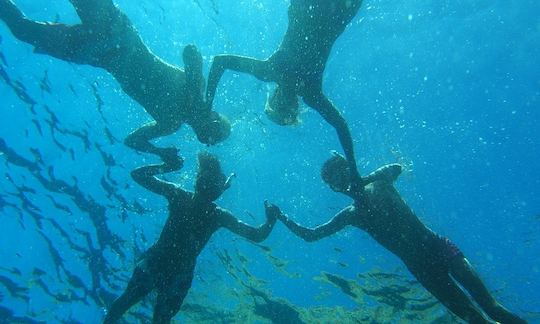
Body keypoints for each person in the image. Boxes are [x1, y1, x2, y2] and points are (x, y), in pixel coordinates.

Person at [272, 153, 527, 324]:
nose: (341, 180)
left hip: (437, 246)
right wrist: (281, 217)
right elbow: (311, 235)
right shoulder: (351, 215)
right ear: (333, 187)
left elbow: (397, 167)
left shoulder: (380, 183)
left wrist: (366, 179)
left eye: (342, 172)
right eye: (334, 179)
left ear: (351, 169)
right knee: (475, 319)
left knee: (493, 308)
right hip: (421, 268)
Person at [0, 0, 230, 166]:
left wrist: (160, 153)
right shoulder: (196, 88)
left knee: (22, 30)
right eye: (216, 134)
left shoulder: (170, 124)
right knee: (23, 29)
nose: (210, 141)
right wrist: (196, 87)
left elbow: (132, 141)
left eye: (213, 140)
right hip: (119, 34)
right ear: (214, 116)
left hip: (95, 54)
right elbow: (190, 50)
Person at [205, 0, 364, 191]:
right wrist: (353, 170)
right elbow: (341, 126)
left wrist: (206, 108)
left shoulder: (269, 70)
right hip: (338, 13)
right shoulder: (310, 93)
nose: (286, 105)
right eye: (288, 113)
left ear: (275, 96)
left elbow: (219, 62)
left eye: (279, 106)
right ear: (295, 109)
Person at [103, 152, 278, 323]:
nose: (211, 184)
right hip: (175, 271)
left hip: (162, 264)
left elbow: (139, 175)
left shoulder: (181, 196)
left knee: (129, 303)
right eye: (212, 179)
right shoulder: (214, 213)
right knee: (153, 314)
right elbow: (257, 235)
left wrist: (166, 166)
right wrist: (270, 220)